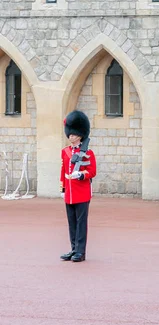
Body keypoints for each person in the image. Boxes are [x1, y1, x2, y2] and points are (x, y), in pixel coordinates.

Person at [60, 110, 97, 263]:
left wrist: (81, 175)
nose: (71, 137)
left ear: (80, 135)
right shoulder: (66, 152)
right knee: (72, 223)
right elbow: (63, 171)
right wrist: (63, 189)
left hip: (81, 192)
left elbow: (92, 171)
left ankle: (81, 252)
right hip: (69, 192)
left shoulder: (88, 153)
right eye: (70, 134)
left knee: (81, 223)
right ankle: (74, 248)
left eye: (73, 134)